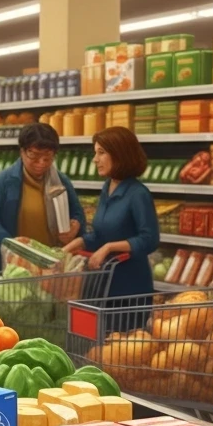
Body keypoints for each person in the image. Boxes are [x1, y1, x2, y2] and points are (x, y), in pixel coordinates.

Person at [63, 126, 159, 300]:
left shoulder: (138, 194)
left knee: (126, 328)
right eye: (95, 153)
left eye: (101, 153)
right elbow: (100, 235)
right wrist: (66, 250)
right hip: (103, 282)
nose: (95, 159)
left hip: (129, 287)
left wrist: (109, 248)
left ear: (119, 154)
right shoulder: (108, 187)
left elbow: (149, 239)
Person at [0, 122, 84, 273]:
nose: (41, 163)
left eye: (47, 157)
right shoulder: (4, 182)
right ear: (22, 152)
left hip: (48, 268)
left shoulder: (61, 182)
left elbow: (78, 214)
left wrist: (75, 227)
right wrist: (12, 245)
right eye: (34, 156)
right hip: (10, 267)